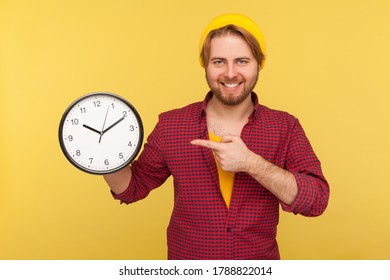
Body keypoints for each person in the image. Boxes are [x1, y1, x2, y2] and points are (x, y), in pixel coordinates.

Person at [104, 14, 330, 260]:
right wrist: (101, 157)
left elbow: (316, 200)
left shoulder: (285, 127)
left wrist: (251, 163)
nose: (230, 73)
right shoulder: (172, 126)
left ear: (259, 64)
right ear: (205, 64)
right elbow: (132, 188)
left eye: (242, 61)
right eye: (219, 61)